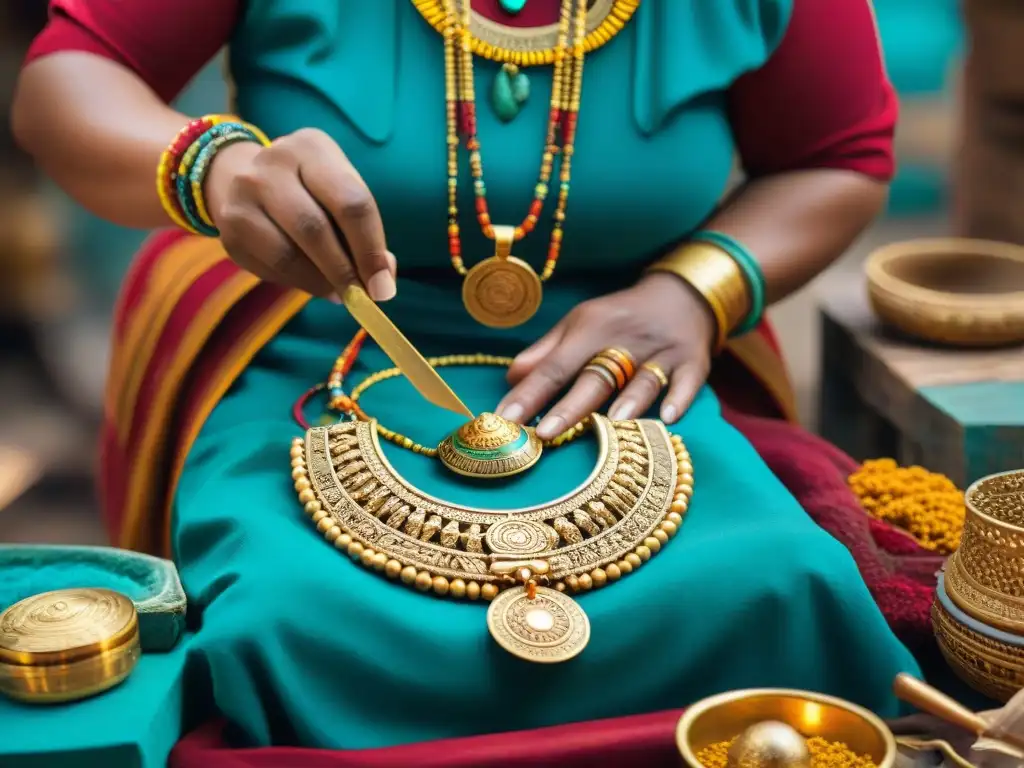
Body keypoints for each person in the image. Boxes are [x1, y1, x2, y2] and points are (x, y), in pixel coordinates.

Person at [13, 0, 937, 762]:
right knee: (290, 619)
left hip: (623, 353)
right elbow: (67, 81)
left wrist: (691, 293)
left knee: (773, 585)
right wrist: (214, 169)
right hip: (321, 332)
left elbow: (837, 154)